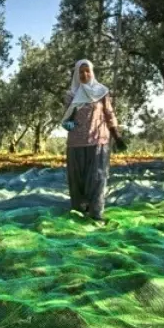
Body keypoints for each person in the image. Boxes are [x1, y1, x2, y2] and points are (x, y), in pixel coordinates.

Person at [61, 59, 124, 223]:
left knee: (97, 178)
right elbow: (67, 124)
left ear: (92, 72)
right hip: (76, 143)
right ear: (76, 74)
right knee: (78, 180)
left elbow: (109, 115)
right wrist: (73, 114)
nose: (84, 74)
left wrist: (117, 137)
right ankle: (79, 212)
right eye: (81, 72)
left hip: (98, 142)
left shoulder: (101, 92)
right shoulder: (71, 95)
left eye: (87, 70)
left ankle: (96, 214)